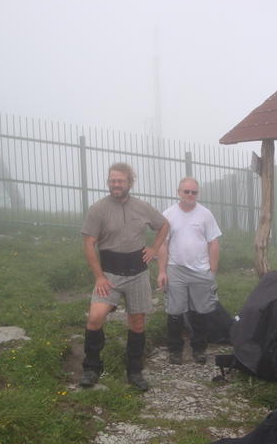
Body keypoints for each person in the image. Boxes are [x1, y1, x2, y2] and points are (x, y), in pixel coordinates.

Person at [79, 162, 169, 392]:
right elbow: (89, 244)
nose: (116, 184)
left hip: (137, 273)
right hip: (109, 274)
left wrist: (154, 248)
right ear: (108, 182)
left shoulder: (142, 207)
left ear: (130, 182)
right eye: (112, 180)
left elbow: (164, 225)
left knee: (137, 322)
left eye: (120, 181)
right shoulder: (98, 209)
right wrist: (99, 277)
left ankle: (135, 370)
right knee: (95, 317)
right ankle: (91, 368)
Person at [157, 177, 221, 365]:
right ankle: (175, 351)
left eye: (194, 192)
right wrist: (162, 271)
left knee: (200, 311)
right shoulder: (168, 214)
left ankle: (199, 350)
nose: (190, 195)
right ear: (179, 192)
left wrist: (212, 271)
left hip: (201, 270)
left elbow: (213, 242)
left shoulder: (205, 214)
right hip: (175, 269)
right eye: (186, 191)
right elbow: (163, 244)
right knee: (175, 312)